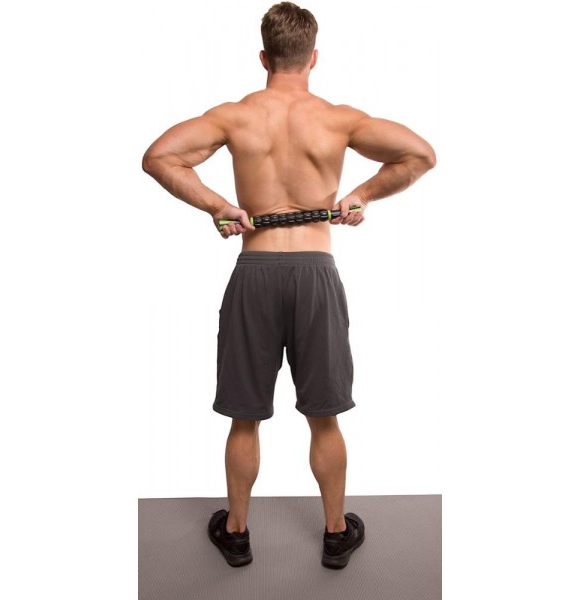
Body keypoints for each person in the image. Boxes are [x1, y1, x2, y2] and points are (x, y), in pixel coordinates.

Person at [142, 2, 435, 570]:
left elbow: (160, 157)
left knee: (244, 416)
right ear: (313, 58)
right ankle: (335, 533)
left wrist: (218, 205)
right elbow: (420, 154)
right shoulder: (338, 119)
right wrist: (360, 195)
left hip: (254, 273)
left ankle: (236, 533)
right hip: (315, 274)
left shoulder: (235, 117)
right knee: (324, 416)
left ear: (263, 57)